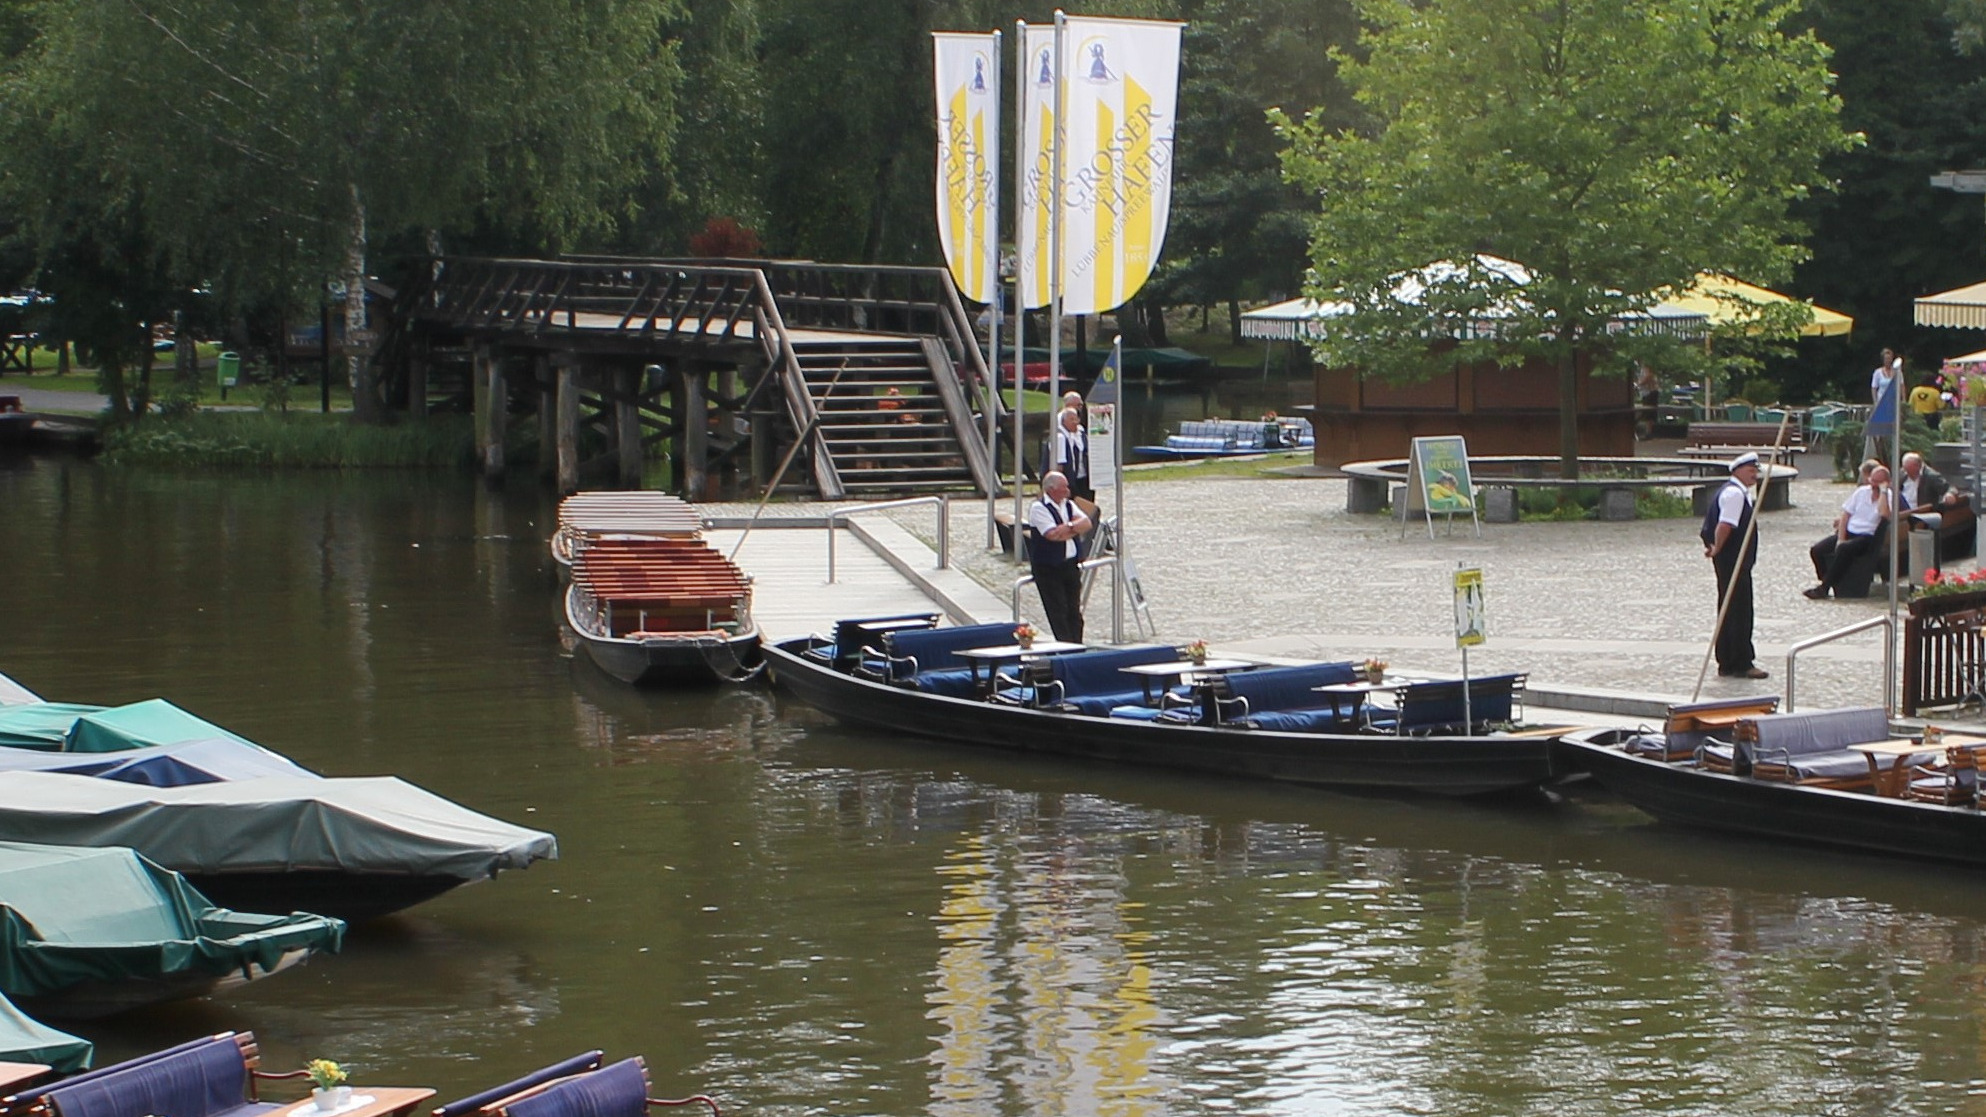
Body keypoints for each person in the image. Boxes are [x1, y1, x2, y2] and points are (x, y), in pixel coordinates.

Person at [1702, 452, 1768, 679]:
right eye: (1751, 471)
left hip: (1733, 559)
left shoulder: (1737, 493)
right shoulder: (1734, 495)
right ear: (1738, 470)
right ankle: (1740, 661)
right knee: (1739, 609)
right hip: (1733, 559)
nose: (1755, 475)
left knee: (1729, 608)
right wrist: (1718, 547)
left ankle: (1728, 660)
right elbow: (1725, 525)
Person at [1806, 464, 1892, 599]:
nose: (1873, 485)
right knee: (1817, 550)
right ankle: (1827, 579)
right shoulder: (1861, 492)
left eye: (1878, 482)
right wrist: (1841, 537)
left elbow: (1884, 513)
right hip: (1850, 530)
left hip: (1867, 536)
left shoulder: (1888, 497)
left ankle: (1824, 587)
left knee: (1844, 549)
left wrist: (1883, 492)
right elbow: (1846, 515)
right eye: (1872, 480)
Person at [1026, 471, 1092, 642]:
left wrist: (1068, 526)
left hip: (1070, 565)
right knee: (1058, 611)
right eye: (1064, 487)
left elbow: (1086, 523)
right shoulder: (1038, 508)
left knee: (1074, 611)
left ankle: (1077, 645)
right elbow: (1052, 535)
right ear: (1051, 490)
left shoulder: (1068, 505)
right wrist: (1074, 529)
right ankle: (1064, 645)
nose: (1067, 491)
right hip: (1049, 568)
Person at [1052, 406, 1093, 500]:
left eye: (1076, 419)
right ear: (1064, 422)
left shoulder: (1081, 433)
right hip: (1070, 480)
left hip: (1083, 477)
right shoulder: (1060, 437)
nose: (1075, 422)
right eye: (1071, 419)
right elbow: (1059, 465)